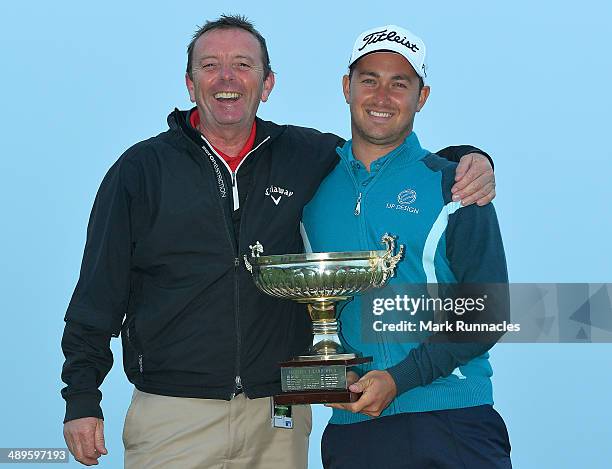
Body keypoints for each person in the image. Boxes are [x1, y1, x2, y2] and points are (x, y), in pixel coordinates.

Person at [61, 16, 497, 468]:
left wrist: (467, 161)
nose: (227, 78)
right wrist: (81, 396)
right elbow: (97, 293)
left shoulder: (305, 156)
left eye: (243, 65)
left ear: (267, 83)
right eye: (211, 65)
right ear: (190, 84)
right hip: (176, 413)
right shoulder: (140, 172)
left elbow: (388, 155)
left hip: (283, 415)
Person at [302, 25, 512, 468]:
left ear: (422, 96)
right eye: (370, 79)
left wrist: (400, 379)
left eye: (400, 83)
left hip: (452, 421)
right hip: (351, 431)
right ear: (347, 87)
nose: (382, 96)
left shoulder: (455, 184)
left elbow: (490, 313)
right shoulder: (311, 192)